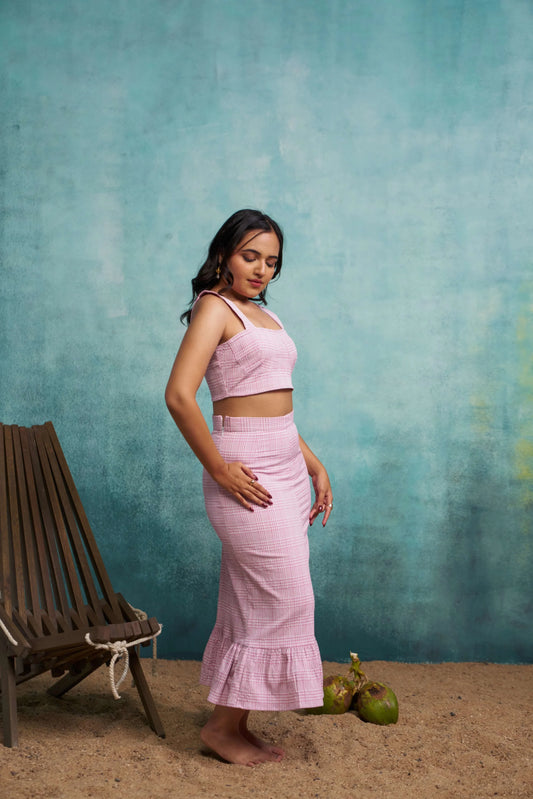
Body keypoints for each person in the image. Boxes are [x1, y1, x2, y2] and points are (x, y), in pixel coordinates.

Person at [165, 209, 333, 767]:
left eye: (272, 261)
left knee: (251, 602)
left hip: (285, 463)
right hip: (246, 475)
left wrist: (312, 463)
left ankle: (234, 725)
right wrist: (218, 468)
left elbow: (275, 404)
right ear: (225, 254)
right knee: (288, 597)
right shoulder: (214, 308)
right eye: (251, 256)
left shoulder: (266, 317)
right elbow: (180, 396)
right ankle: (221, 727)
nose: (262, 269)